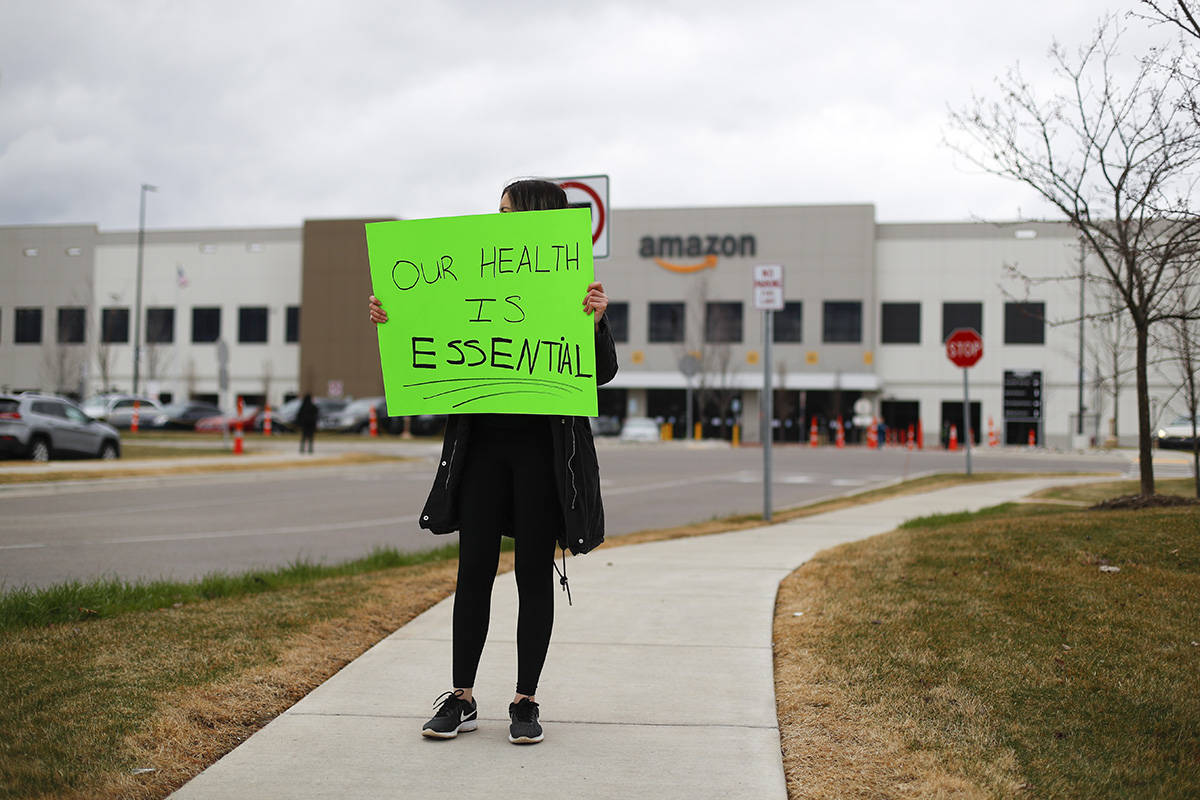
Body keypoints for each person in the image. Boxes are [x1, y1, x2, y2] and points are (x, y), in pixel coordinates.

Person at [368, 178, 618, 745]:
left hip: (541, 456)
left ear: (535, 217)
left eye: (506, 210)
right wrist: (394, 317)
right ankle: (461, 698)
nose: (496, 217)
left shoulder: (572, 286)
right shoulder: (470, 269)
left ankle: (525, 701)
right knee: (473, 572)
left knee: (534, 576)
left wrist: (597, 322)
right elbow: (429, 329)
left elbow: (600, 374)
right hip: (480, 449)